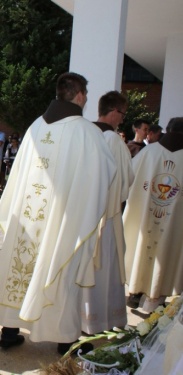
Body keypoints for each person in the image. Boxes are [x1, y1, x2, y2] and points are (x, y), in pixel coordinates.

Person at [0, 72, 116, 354]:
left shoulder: (35, 126)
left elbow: (18, 174)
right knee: (60, 271)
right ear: (80, 96)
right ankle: (66, 340)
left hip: (26, 220)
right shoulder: (86, 132)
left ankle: (9, 332)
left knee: (19, 268)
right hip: (61, 221)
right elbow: (103, 176)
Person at [81, 91, 134, 334]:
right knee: (103, 269)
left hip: (81, 215)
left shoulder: (84, 132)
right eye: (122, 114)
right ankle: (98, 320)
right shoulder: (112, 139)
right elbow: (124, 182)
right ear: (114, 112)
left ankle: (81, 318)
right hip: (106, 215)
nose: (122, 120)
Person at [123, 117, 183, 313]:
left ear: (167, 130)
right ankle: (156, 298)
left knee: (142, 248)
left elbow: (129, 177)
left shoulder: (149, 152)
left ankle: (135, 292)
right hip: (173, 222)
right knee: (166, 251)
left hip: (146, 217)